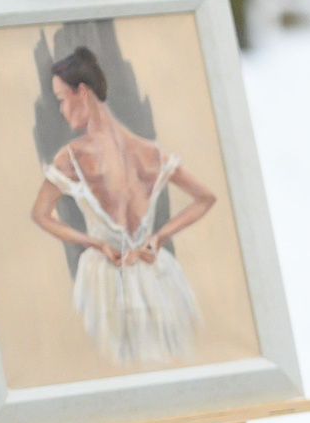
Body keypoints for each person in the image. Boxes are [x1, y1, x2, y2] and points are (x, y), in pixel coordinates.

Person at [28, 46, 216, 366]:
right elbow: (205, 197)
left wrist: (94, 243)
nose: (61, 110)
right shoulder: (150, 152)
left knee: (113, 361)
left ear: (82, 92)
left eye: (62, 99)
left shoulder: (73, 155)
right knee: (160, 359)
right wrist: (158, 239)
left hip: (105, 278)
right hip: (156, 275)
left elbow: (40, 215)